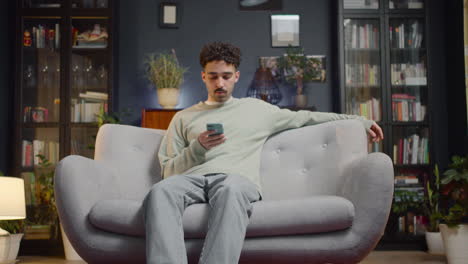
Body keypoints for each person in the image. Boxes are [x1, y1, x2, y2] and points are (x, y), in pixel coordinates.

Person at [143, 41, 384, 264]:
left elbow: (308, 118)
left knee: (231, 189)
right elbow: (168, 172)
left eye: (226, 77)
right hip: (192, 180)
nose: (220, 84)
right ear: (203, 76)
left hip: (234, 180)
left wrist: (358, 121)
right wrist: (197, 148)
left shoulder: (258, 110)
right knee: (161, 191)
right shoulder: (183, 117)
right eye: (213, 77)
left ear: (236, 76)